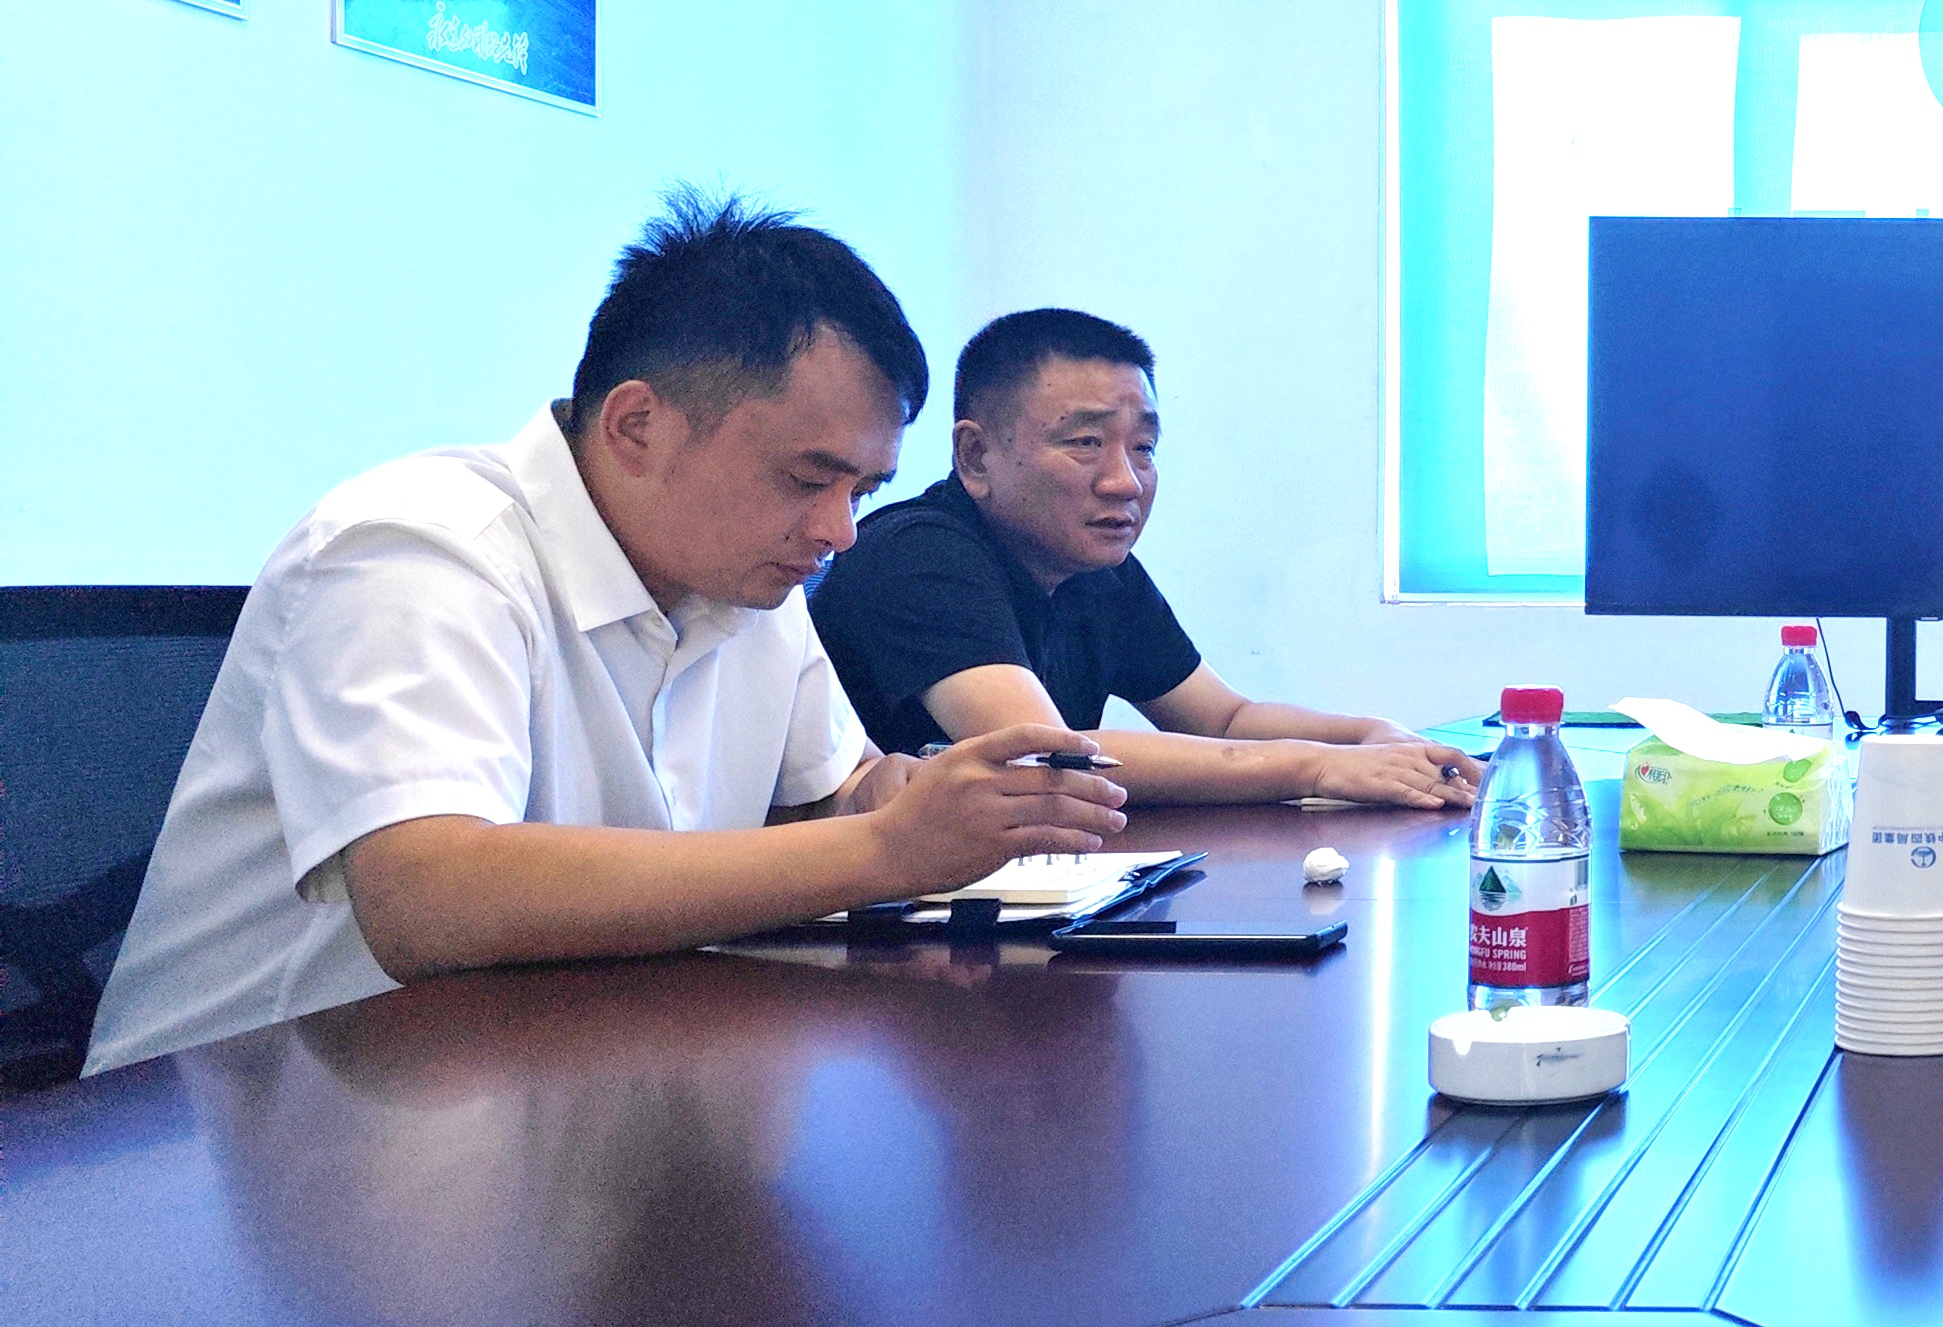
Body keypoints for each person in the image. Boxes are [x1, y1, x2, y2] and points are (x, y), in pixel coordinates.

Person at [80, 203, 1131, 1077]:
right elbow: (428, 896)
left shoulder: (754, 579)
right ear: (636, 425)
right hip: (227, 1145)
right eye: (808, 478)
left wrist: (894, 798)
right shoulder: (417, 547)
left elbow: (825, 798)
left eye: (862, 490)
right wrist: (883, 847)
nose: (838, 531)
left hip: (554, 1077)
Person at [809, 309, 1481, 810]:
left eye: (1144, 448)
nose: (1124, 482)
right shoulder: (914, 555)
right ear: (976, 456)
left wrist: (1368, 737)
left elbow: (1223, 719)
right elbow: (1045, 752)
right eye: (1085, 443)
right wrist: (1316, 767)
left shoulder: (1095, 567)